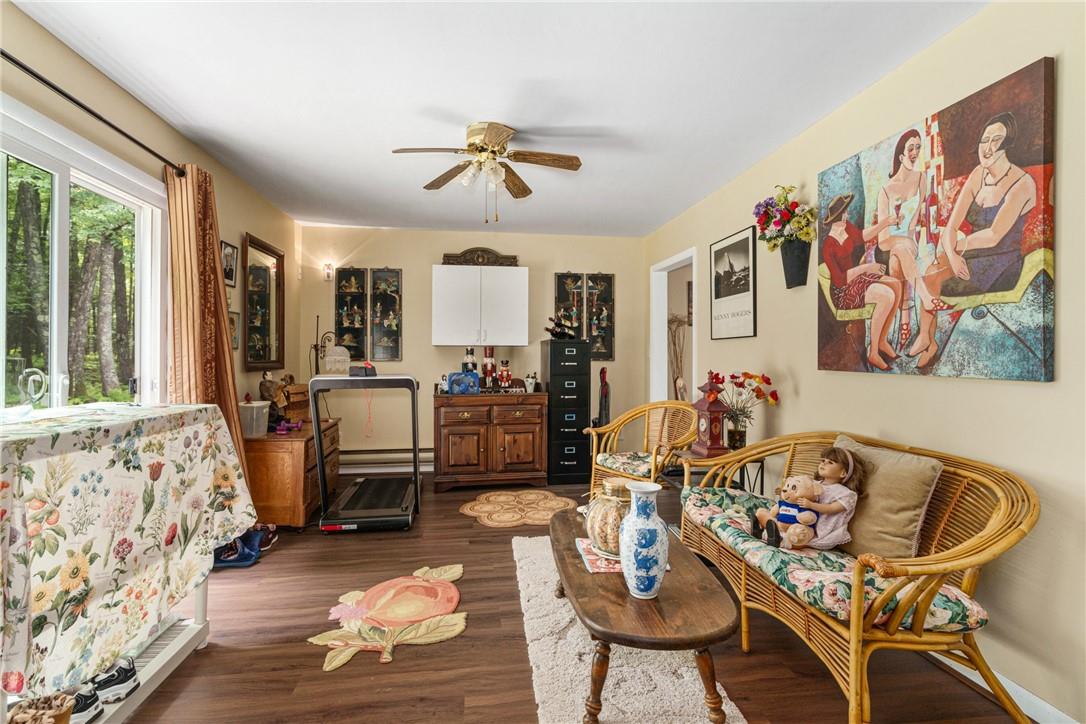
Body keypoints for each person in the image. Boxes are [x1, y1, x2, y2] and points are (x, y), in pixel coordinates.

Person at [911, 112, 1037, 366]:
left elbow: (994, 235)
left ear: (1008, 144)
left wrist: (959, 247)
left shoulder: (1022, 183)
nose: (987, 147)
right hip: (971, 252)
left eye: (996, 140)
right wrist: (953, 253)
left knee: (932, 278)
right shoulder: (978, 174)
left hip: (1002, 261)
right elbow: (951, 226)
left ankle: (927, 339)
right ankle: (927, 338)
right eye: (984, 140)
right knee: (931, 271)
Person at [821, 193, 903, 370]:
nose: (847, 215)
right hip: (843, 293)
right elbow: (840, 280)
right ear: (839, 216)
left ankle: (882, 341)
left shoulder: (847, 228)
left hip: (857, 280)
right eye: (845, 212)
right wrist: (867, 268)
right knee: (887, 296)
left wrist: (885, 223)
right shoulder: (828, 246)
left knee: (896, 285)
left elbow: (862, 236)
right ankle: (873, 352)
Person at [875, 129, 930, 349]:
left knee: (903, 252)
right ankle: (914, 311)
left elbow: (917, 221)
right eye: (911, 148)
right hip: (887, 246)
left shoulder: (921, 179)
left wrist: (912, 239)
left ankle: (903, 321)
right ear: (901, 155)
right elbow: (882, 240)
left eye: (918, 147)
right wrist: (901, 238)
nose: (915, 152)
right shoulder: (886, 191)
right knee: (898, 253)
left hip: (910, 241)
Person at [751, 446, 864, 549]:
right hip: (795, 519)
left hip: (817, 531)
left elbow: (831, 508)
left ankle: (781, 541)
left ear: (843, 473)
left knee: (798, 534)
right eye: (823, 461)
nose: (823, 464)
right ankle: (764, 531)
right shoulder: (813, 484)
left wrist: (811, 505)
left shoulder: (845, 493)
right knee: (766, 514)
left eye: (830, 462)